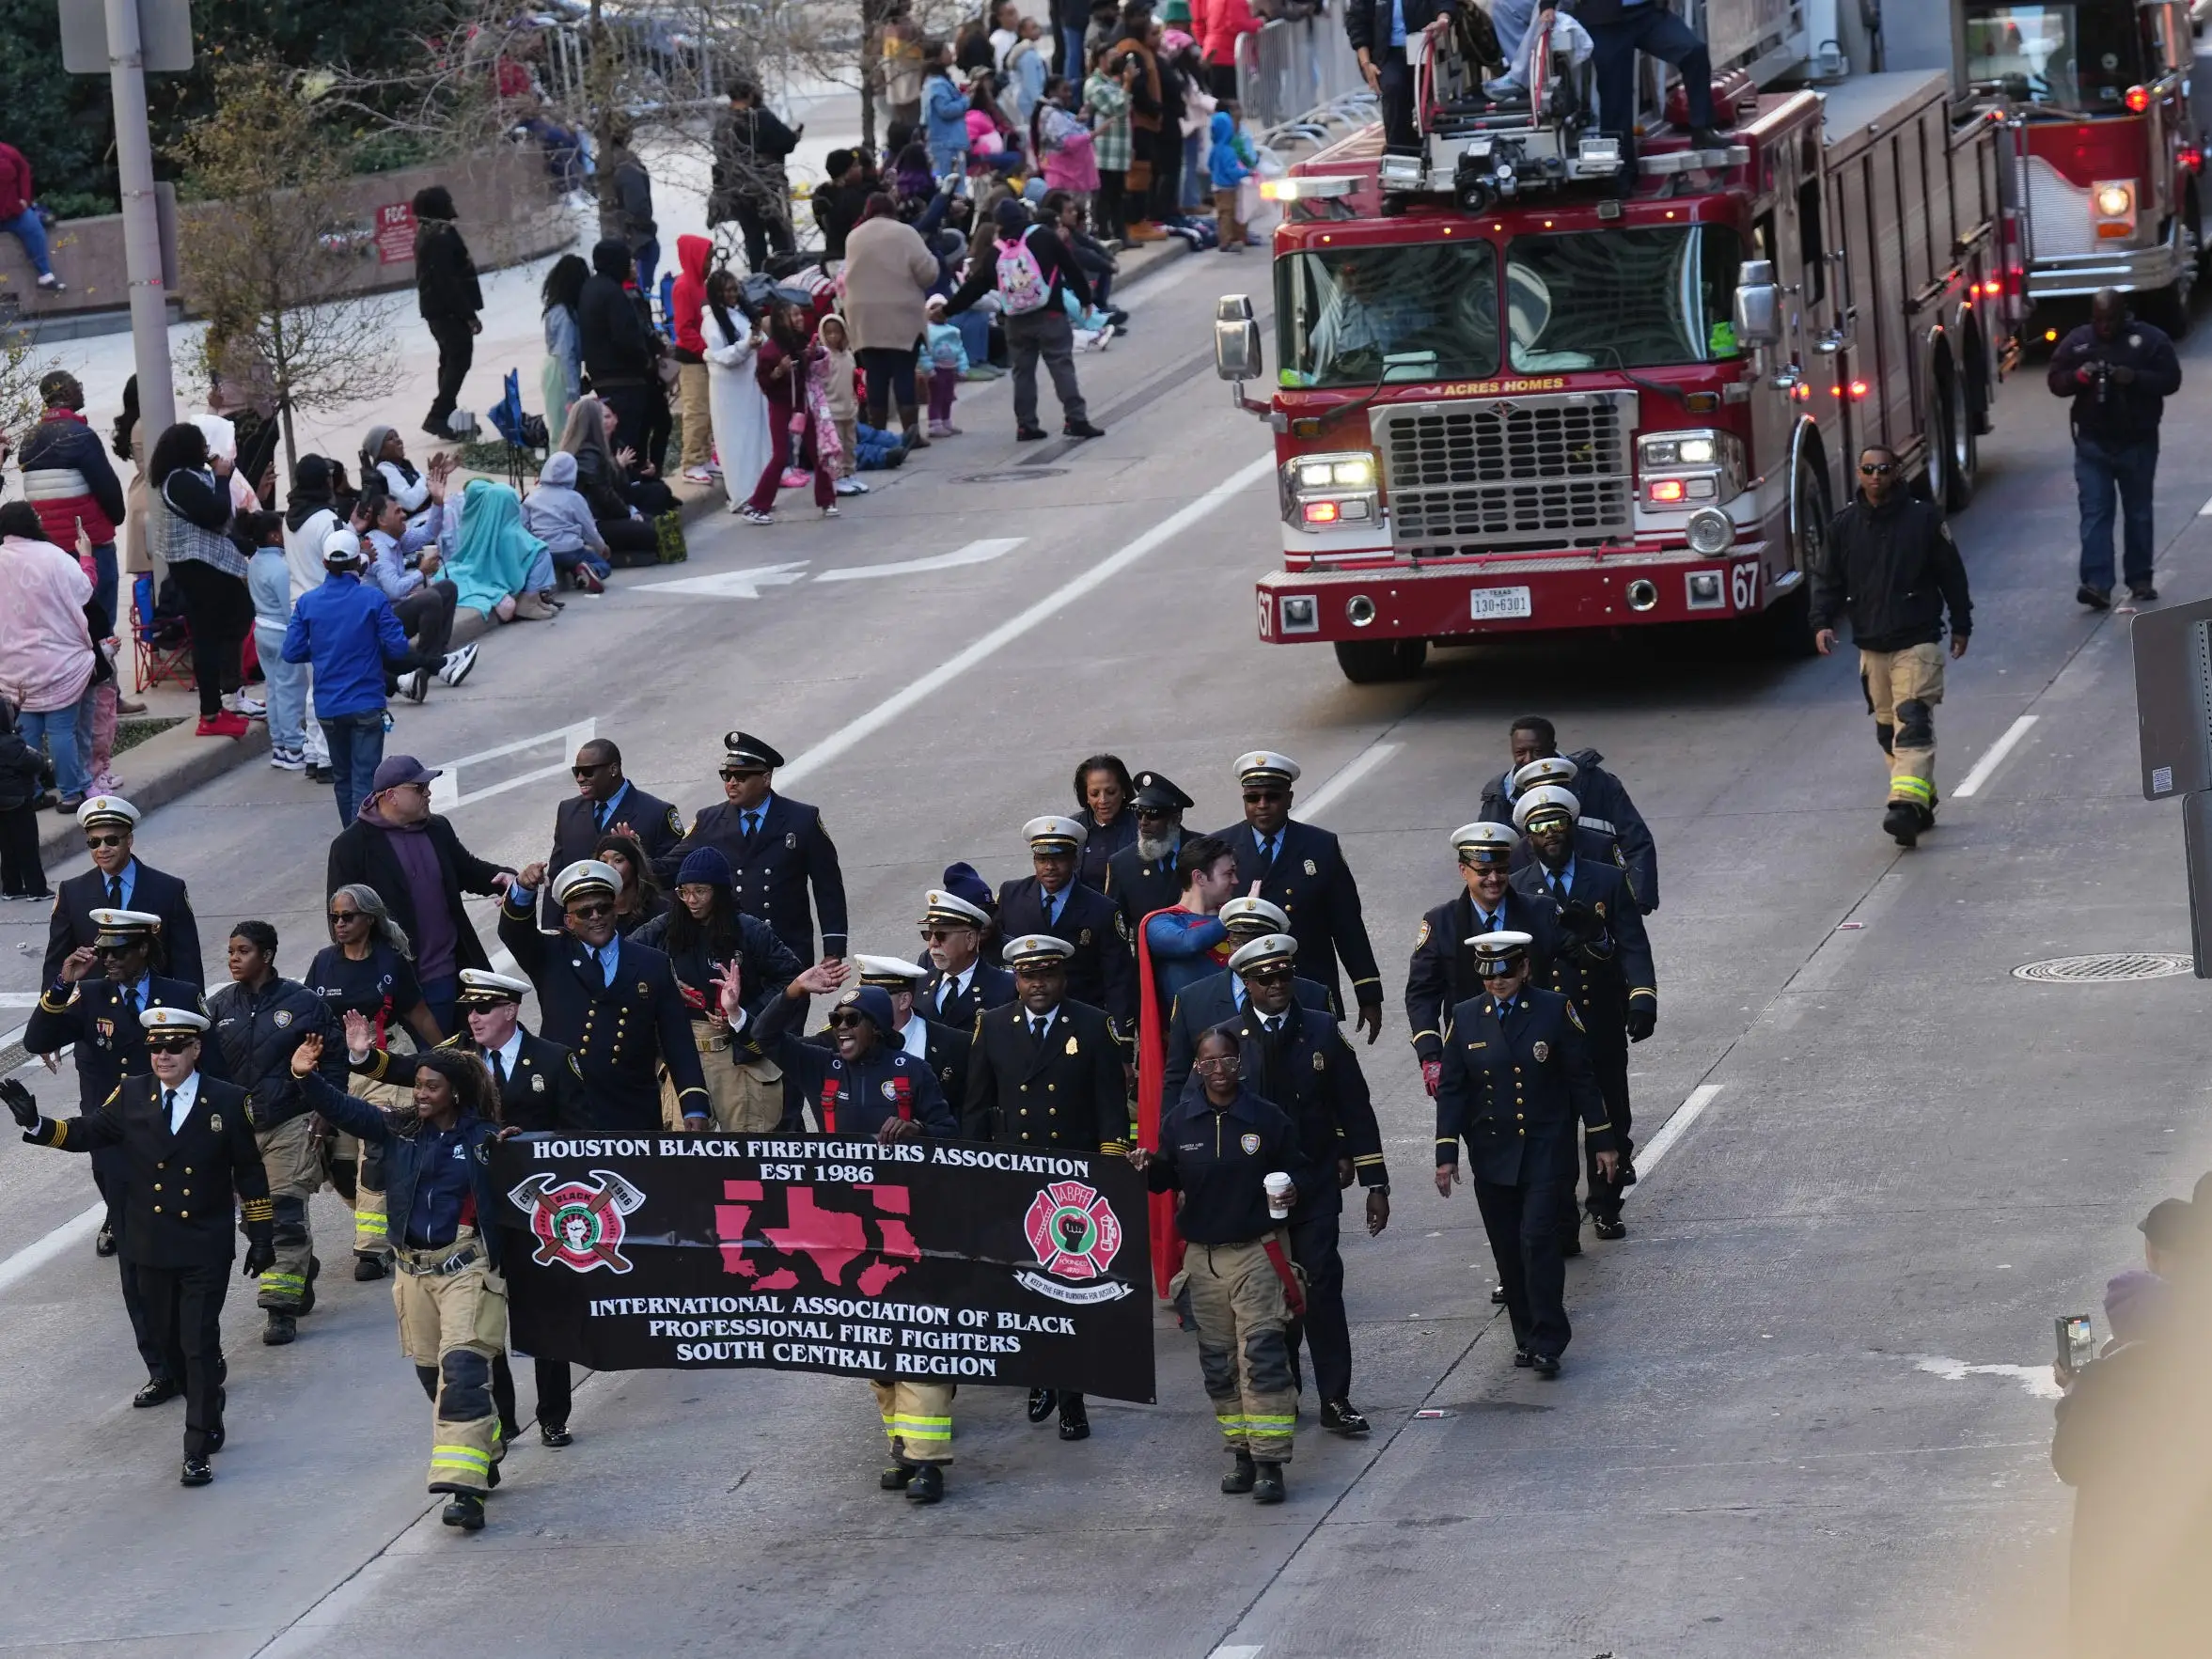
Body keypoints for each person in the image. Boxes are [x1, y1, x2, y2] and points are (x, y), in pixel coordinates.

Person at [720, 960, 961, 1501]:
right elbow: (761, 1035)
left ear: (879, 1027)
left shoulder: (912, 1073)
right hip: (845, 1236)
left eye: (854, 1019)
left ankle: (928, 1463)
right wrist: (795, 989)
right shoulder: (819, 1068)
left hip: (909, 1229)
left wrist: (918, 1130)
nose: (843, 1028)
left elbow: (952, 1136)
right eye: (837, 1019)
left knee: (916, 1338)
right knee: (873, 1344)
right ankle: (903, 1445)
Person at [5, 1007, 275, 1487]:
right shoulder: (131, 1095)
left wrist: (261, 1235)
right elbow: (89, 1133)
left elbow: (249, 1172)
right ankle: (208, 1395)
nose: (163, 1055)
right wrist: (39, 1125)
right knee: (170, 1345)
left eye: (174, 1047)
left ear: (196, 1050)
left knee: (197, 1342)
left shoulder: (228, 1101)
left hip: (203, 1244)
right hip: (148, 1243)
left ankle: (196, 1447)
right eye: (155, 1047)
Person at [337, 970, 590, 1448]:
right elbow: (405, 1071)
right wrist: (362, 1055)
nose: (472, 1018)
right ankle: (504, 1421)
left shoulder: (553, 1061)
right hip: (477, 1217)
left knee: (542, 1319)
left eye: (483, 1009)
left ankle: (554, 1416)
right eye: (470, 1009)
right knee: (480, 1325)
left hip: (536, 1216)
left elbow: (577, 1136)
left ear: (510, 1012)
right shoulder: (458, 1056)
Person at [282, 1033, 511, 1530]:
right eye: (418, 1085)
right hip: (413, 1274)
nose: (421, 1094)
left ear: (457, 1093)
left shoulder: (486, 1141)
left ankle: (465, 1491)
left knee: (463, 1373)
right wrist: (305, 1076)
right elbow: (343, 1109)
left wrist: (513, 1151)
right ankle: (484, 1441)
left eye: (432, 1087)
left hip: (468, 1272)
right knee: (434, 1377)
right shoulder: (397, 1130)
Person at [24, 908, 212, 1386]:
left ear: (144, 950)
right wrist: (63, 984)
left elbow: (217, 1075)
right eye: (103, 951)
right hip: (117, 1149)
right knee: (136, 1267)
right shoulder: (89, 997)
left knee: (186, 1264)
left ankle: (197, 1358)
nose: (108, 960)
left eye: (119, 952)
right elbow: (37, 1039)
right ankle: (161, 1370)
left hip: (178, 1149)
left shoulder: (179, 996)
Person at [1206, 932, 1386, 1432]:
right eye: (1265, 979)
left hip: (1315, 1181)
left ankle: (1336, 1397)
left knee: (1323, 1287)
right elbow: (1202, 1118)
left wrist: (1375, 1180)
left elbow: (1355, 1105)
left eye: (1284, 975)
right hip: (1251, 1194)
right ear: (1246, 984)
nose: (1278, 985)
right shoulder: (1225, 1041)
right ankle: (1282, 1389)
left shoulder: (1323, 1030)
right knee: (1269, 1297)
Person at [1130, 1025, 1310, 1501]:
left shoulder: (1267, 1119)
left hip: (1257, 1253)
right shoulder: (1179, 1122)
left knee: (1264, 1359)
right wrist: (1146, 1166)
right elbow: (1164, 1178)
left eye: (1227, 1060)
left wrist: (1294, 1189)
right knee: (1219, 1364)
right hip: (1203, 1260)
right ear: (1197, 1068)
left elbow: (1300, 1170)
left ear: (1240, 1063)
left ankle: (1271, 1462)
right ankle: (1242, 1454)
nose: (1219, 1070)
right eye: (1208, 1062)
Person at [963, 933, 1128, 1443]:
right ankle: (1039, 1374)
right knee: (1025, 1288)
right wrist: (975, 1175)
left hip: (1073, 1183)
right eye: (1028, 976)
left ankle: (1072, 1399)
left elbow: (1110, 1110)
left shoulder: (1091, 1024)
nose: (1038, 984)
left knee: (1069, 1291)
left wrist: (1111, 1176)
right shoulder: (992, 1026)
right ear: (1015, 978)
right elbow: (976, 1108)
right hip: (1018, 1177)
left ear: (1062, 977)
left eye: (1048, 975)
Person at [1434, 931, 1615, 1376]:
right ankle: (1526, 1336)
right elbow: (1454, 1089)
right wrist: (1446, 1152)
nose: (1497, 981)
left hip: (1544, 1150)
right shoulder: (1465, 1017)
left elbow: (1580, 1078)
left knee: (1538, 1240)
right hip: (1493, 1153)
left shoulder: (1554, 1009)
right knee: (1508, 1250)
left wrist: (1603, 1139)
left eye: (1507, 971)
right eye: (1488, 973)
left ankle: (1550, 1338)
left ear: (1525, 968)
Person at [1812, 443, 1974, 849]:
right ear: (1858, 474)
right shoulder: (1844, 526)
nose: (1876, 476)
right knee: (1888, 732)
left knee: (1913, 722)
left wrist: (1961, 624)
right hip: (1872, 649)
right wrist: (1821, 622)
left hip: (1917, 641)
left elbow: (1951, 574)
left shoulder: (1923, 519)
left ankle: (1903, 805)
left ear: (1897, 471)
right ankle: (1922, 798)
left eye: (1884, 469)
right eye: (1868, 470)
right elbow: (1827, 579)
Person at [1512, 783, 1653, 1246]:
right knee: (1555, 1126)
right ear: (1527, 836)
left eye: (1557, 823)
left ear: (1571, 826)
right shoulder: (1518, 889)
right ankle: (1564, 1222)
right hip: (1547, 1028)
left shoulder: (1606, 879)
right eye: (1539, 827)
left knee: (1610, 1117)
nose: (1550, 833)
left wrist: (1641, 996)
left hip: (1599, 1020)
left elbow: (1631, 941)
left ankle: (1606, 1206)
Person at [498, 857, 711, 1131]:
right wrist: (524, 889)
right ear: (569, 920)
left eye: (603, 908)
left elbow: (677, 1040)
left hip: (631, 1106)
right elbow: (514, 932)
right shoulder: (550, 954)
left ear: (616, 911)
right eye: (585, 912)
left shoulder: (652, 964)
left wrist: (694, 1104)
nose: (596, 917)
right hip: (565, 1105)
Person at [205, 919, 338, 1345]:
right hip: (238, 1132)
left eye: (242, 951)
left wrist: (326, 1110)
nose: (233, 959)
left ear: (267, 955)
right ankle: (302, 1268)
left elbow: (333, 1059)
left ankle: (280, 1310)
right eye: (230, 952)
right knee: (254, 1219)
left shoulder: (304, 1004)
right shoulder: (218, 1008)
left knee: (284, 1212)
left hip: (290, 1121)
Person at [306, 882, 445, 1279]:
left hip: (385, 1065)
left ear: (370, 918)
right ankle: (389, 1216)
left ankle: (373, 1250)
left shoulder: (390, 962)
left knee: (378, 1153)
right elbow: (308, 1018)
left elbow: (417, 1014)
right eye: (334, 917)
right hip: (337, 1069)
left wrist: (446, 1059)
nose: (339, 924)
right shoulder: (322, 962)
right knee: (342, 1160)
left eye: (347, 916)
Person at [327, 755, 514, 1030]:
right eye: (419, 788)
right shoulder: (352, 846)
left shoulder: (437, 828)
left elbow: (467, 870)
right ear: (391, 795)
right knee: (432, 1068)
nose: (428, 793)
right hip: (407, 987)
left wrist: (510, 880)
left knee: (476, 1063)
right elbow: (339, 923)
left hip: (458, 973)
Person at [1215, 751, 1385, 1041]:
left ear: (1290, 798)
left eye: (1273, 796)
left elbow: (1347, 925)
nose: (1262, 806)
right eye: (1253, 799)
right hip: (1245, 992)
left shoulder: (1320, 846)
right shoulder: (1220, 848)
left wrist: (1367, 991)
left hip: (1307, 984)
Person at [633, 847, 803, 1131]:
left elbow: (791, 978)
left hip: (736, 1051)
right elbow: (627, 961)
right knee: (685, 1152)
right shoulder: (662, 930)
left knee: (745, 1146)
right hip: (683, 1050)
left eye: (700, 891)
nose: (691, 900)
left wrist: (743, 1013)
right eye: (683, 891)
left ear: (720, 892)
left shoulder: (750, 931)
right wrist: (664, 983)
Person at [2047, 289, 2182, 609]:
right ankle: (2097, 584)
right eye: (2099, 320)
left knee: (2138, 512)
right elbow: (2056, 380)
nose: (2105, 327)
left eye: (2111, 320)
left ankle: (2140, 579)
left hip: (2137, 443)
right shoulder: (2079, 342)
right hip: (2093, 444)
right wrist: (2080, 377)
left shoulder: (2149, 341)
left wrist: (2134, 378)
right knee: (2095, 513)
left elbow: (2171, 380)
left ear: (2124, 313)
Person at [1407, 822, 1562, 1098]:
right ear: (1463, 871)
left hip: (1537, 1053)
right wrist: (1430, 1054)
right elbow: (1422, 994)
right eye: (1483, 871)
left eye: (1501, 870)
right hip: (1473, 1057)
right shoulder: (1441, 922)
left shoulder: (1541, 911)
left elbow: (1572, 968)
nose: (1494, 878)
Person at [664, 731, 849, 963]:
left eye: (740, 776)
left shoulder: (802, 820)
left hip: (786, 950)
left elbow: (828, 886)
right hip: (730, 952)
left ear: (765, 778)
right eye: (726, 775)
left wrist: (833, 949)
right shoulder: (709, 821)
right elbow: (671, 867)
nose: (731, 783)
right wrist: (631, 854)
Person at [944, 199, 1106, 442]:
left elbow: (975, 286)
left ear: (999, 224)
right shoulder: (1044, 236)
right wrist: (1085, 299)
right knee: (1061, 365)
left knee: (1023, 373)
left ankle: (1026, 424)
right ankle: (1075, 418)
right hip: (1050, 314)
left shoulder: (996, 251)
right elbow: (1071, 267)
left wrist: (947, 310)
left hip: (1016, 321)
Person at [282, 529, 411, 824]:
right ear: (359, 562)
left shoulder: (307, 603)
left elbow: (291, 651)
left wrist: (324, 651)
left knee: (343, 778)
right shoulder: (372, 599)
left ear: (325, 563)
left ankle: (351, 844)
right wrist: (368, 646)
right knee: (365, 779)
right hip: (366, 704)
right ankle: (362, 846)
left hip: (328, 708)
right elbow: (398, 647)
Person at [1159, 894, 1333, 1104]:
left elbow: (1337, 1082)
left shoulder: (1312, 995)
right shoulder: (1192, 1000)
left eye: (1254, 944)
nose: (1244, 952)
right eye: (1236, 943)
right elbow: (1176, 1080)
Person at [1477, 718, 1659, 912]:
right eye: (1520, 753)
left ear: (1553, 746)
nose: (1529, 759)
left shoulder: (1597, 783)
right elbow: (1484, 860)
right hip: (1533, 907)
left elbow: (1636, 843)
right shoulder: (1499, 797)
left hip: (1598, 898)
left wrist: (1636, 900)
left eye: (1537, 751)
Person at [146, 424, 252, 740]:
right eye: (202, 446)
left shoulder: (187, 476)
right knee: (209, 637)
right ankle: (211, 712)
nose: (207, 452)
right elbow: (216, 514)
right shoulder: (179, 481)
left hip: (206, 567)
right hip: (198, 569)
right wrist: (221, 477)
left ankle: (220, 703)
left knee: (230, 623)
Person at [43, 795, 205, 991]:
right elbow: (55, 963)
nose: (102, 849)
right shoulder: (72, 892)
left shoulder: (168, 889)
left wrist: (191, 1014)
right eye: (94, 842)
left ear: (129, 839)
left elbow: (187, 963)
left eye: (111, 840)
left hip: (154, 1010)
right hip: (95, 1013)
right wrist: (49, 1015)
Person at [996, 815, 1136, 1039]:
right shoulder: (1011, 896)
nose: (1049, 867)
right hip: (1022, 1023)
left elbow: (1118, 981)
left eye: (1058, 858)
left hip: (1082, 1024)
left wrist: (1122, 1043)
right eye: (1042, 859)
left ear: (1075, 859)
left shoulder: (1102, 909)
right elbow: (997, 957)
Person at [0, 500, 97, 802]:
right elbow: (84, 589)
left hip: (14, 668)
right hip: (59, 662)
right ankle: (71, 795)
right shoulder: (54, 556)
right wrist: (87, 557)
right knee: (62, 731)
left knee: (25, 732)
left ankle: (32, 793)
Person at [1545, 0, 1729, 152]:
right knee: (1615, 94)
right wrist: (1547, 5)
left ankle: (1702, 130)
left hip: (1647, 12)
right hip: (1604, 19)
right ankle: (1621, 172)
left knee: (1693, 51)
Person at [19, 370, 125, 633]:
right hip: (90, 543)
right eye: (77, 386)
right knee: (101, 624)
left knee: (66, 625)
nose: (81, 390)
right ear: (65, 393)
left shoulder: (29, 439)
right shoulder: (80, 435)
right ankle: (104, 671)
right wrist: (116, 518)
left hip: (50, 548)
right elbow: (107, 489)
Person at [541, 738, 683, 927]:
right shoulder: (568, 811)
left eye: (588, 771)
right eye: (577, 771)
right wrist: (551, 931)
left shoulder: (656, 813)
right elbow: (558, 876)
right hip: (581, 931)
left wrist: (637, 855)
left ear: (613, 769)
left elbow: (675, 875)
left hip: (635, 929)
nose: (580, 778)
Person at [362, 472, 476, 701]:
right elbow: (393, 590)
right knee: (429, 598)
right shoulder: (379, 548)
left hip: (393, 613)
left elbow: (428, 532)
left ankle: (438, 658)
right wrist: (421, 572)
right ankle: (428, 665)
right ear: (382, 521)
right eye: (398, 512)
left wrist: (437, 502)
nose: (404, 515)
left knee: (447, 588)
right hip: (379, 624)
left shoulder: (395, 538)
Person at [841, 193, 941, 450]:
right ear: (893, 210)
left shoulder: (854, 236)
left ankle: (878, 434)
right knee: (903, 373)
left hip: (863, 317)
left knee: (874, 376)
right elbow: (927, 273)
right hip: (901, 315)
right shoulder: (905, 233)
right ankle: (911, 433)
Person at [843, 952, 972, 1123]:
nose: (864, 1007)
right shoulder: (842, 1037)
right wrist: (795, 994)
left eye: (876, 999)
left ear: (904, 1001)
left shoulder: (955, 1044)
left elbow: (968, 1113)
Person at [742, 301, 839, 524]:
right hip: (782, 405)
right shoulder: (771, 350)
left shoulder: (802, 343)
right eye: (793, 315)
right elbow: (764, 382)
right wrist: (779, 371)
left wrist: (813, 355)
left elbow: (818, 372)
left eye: (799, 315)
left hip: (808, 404)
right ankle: (757, 506)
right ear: (780, 320)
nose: (798, 319)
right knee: (780, 455)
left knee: (818, 451)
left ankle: (828, 499)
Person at [412, 186, 482, 438]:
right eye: (448, 201)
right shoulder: (438, 236)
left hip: (440, 310)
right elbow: (446, 281)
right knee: (459, 358)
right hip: (446, 312)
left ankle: (446, 415)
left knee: (450, 359)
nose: (453, 204)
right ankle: (439, 416)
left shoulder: (432, 232)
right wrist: (468, 314)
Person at [558, 395, 664, 562]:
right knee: (650, 533)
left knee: (653, 520)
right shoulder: (587, 455)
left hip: (599, 517)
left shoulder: (593, 449)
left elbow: (619, 488)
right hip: (592, 523)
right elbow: (604, 495)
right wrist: (627, 514)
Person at [710, 80, 801, 274]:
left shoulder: (723, 121)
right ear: (751, 95)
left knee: (753, 238)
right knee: (780, 236)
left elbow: (719, 152)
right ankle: (785, 276)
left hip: (736, 189)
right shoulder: (761, 117)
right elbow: (788, 141)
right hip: (768, 188)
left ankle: (759, 278)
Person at [577, 238, 659, 453]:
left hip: (602, 377)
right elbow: (626, 337)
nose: (631, 263)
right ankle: (630, 481)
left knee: (615, 440)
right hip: (624, 380)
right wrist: (645, 360)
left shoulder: (590, 288)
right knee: (628, 442)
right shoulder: (612, 293)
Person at [703, 273, 774, 513]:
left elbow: (760, 340)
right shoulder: (712, 322)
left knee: (756, 440)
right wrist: (746, 346)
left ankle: (760, 492)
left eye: (735, 289)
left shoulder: (741, 314)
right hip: (731, 393)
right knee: (737, 443)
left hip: (750, 388)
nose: (733, 294)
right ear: (717, 294)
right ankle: (743, 495)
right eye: (727, 291)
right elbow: (721, 356)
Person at [1104, 769, 1193, 933]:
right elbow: (1115, 928)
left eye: (1153, 815)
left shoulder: (1205, 851)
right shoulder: (1122, 863)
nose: (1143, 822)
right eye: (1139, 813)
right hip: (1147, 957)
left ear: (1176, 818)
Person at [918, 886, 1014, 1027]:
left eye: (941, 935)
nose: (933, 943)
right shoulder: (920, 983)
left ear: (970, 940)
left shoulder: (1007, 987)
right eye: (928, 935)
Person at [522, 452, 612, 595]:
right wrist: (601, 547)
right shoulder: (574, 498)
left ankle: (545, 583)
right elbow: (589, 529)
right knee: (603, 565)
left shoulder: (532, 497)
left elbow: (524, 527)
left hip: (544, 550)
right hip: (572, 550)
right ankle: (589, 571)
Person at [669, 235, 717, 484]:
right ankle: (691, 461)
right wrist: (704, 349)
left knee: (709, 410)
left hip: (705, 355)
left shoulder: (701, 284)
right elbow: (684, 328)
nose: (710, 264)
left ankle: (705, 455)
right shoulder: (684, 286)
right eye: (707, 259)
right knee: (696, 410)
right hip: (693, 358)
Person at [599, 115, 659, 296]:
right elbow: (638, 206)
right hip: (636, 243)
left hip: (614, 242)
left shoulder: (603, 162)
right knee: (638, 296)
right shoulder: (626, 163)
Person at [1085, 45, 1136, 245]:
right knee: (1103, 195)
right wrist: (1128, 83)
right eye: (1112, 56)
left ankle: (1121, 235)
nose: (1116, 60)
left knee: (1118, 195)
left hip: (1119, 149)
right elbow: (1118, 107)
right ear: (1101, 60)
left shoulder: (1113, 83)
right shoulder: (1093, 84)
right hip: (1104, 151)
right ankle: (1104, 235)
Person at [0, 698, 49, 899]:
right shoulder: (11, 743)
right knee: (27, 845)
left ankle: (10, 888)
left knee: (7, 847)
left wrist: (15, 708)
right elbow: (33, 762)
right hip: (18, 800)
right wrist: (40, 759)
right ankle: (36, 889)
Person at [0, 138, 64, 290]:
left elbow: (23, 170)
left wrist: (25, 199)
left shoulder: (6, 152)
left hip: (13, 211)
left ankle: (45, 275)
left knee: (34, 230)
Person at [1070, 753, 1137, 890]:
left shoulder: (1142, 825)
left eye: (1111, 792)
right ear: (1086, 796)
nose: (1103, 800)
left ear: (1124, 791)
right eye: (1094, 794)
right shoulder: (1072, 829)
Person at [540, 252, 589, 430]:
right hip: (560, 372)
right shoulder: (564, 315)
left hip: (558, 369)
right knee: (565, 430)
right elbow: (566, 353)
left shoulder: (559, 309)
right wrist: (572, 390)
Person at [924, 42, 975, 176]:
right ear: (937, 58)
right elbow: (945, 110)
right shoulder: (937, 84)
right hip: (947, 144)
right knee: (953, 184)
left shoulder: (941, 81)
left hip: (950, 143)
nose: (951, 53)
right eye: (946, 51)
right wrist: (966, 100)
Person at [1207, 108, 1248, 252]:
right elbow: (1233, 170)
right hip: (1228, 188)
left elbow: (1210, 164)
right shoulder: (1228, 151)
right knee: (1229, 214)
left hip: (1216, 186)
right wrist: (1245, 172)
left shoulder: (1214, 149)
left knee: (1222, 214)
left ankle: (1224, 239)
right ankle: (1227, 240)